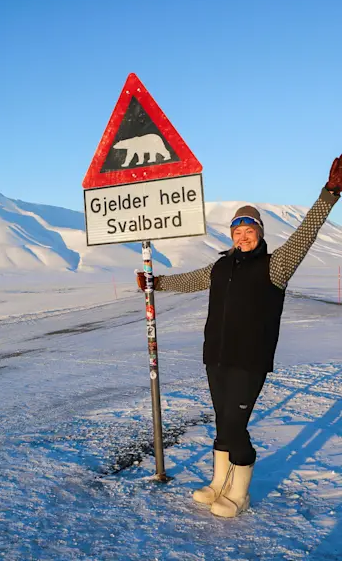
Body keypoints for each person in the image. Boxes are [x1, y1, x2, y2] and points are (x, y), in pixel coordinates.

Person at [136, 155, 342, 518]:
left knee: (236, 425)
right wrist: (157, 283)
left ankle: (239, 494)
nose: (243, 237)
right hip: (216, 354)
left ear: (259, 233)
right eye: (237, 231)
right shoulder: (220, 266)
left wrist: (329, 194)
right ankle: (219, 485)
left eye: (249, 231)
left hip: (250, 358)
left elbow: (305, 234)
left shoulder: (276, 265)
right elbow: (190, 281)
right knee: (221, 420)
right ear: (231, 235)